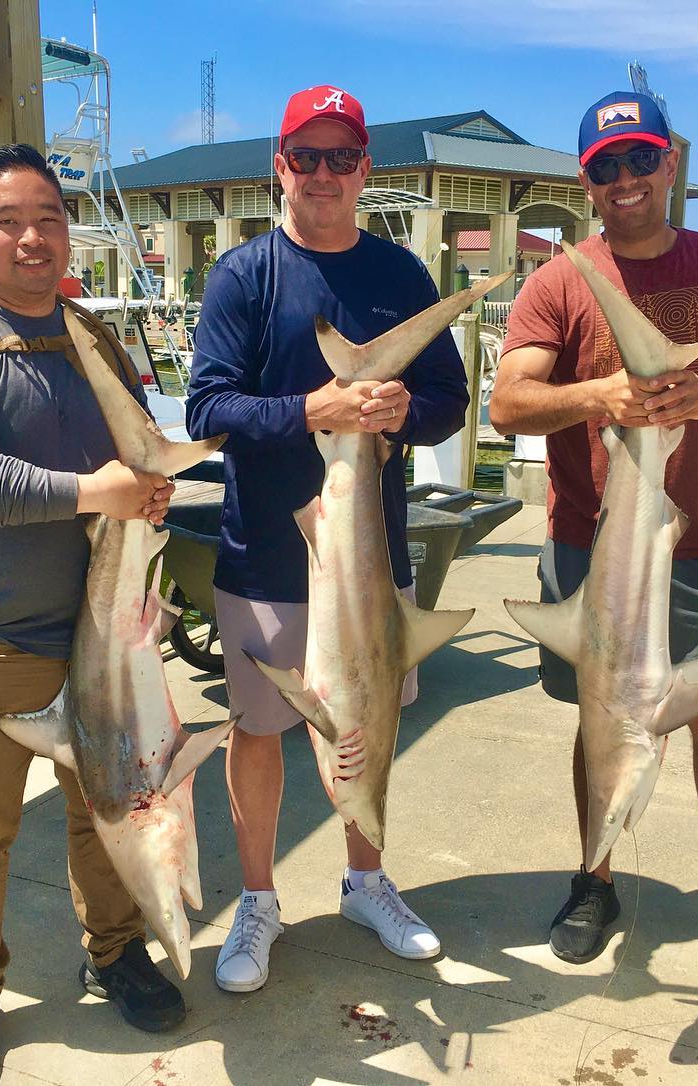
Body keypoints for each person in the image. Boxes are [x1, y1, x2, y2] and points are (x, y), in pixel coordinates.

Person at [488, 91, 698, 994]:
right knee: (600, 717)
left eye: (638, 160)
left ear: (671, 163)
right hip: (591, 542)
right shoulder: (559, 278)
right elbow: (508, 402)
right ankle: (594, 880)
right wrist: (603, 397)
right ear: (584, 179)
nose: (622, 180)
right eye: (603, 167)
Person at [0, 143, 184, 1086]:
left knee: (110, 811)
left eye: (49, 219)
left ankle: (115, 954)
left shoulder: (93, 334)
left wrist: (146, 492)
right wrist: (96, 492)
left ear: (70, 231)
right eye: (8, 221)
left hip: (103, 633)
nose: (32, 237)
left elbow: (138, 453)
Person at [185, 85, 469, 993]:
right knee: (259, 727)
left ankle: (367, 879)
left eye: (340, 157)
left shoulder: (401, 279)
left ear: (364, 172)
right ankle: (259, 900)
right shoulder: (243, 275)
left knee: (372, 719)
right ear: (282, 165)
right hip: (267, 549)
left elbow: (448, 401)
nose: (322, 174)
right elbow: (206, 407)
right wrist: (313, 408)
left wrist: (397, 414)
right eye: (305, 156)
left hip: (369, 552)